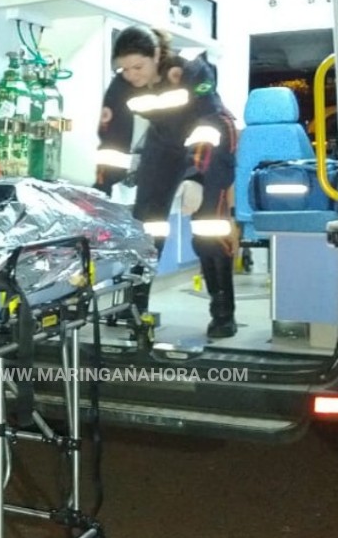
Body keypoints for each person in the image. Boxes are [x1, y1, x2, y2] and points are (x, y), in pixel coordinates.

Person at [97, 25, 239, 338]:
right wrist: (103, 185)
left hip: (211, 137)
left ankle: (223, 311)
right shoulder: (121, 86)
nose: (131, 75)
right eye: (123, 68)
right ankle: (134, 308)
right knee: (147, 225)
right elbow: (113, 136)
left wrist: (197, 177)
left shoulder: (190, 70)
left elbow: (208, 122)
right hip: (165, 141)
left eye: (138, 66)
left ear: (157, 55)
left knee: (207, 227)